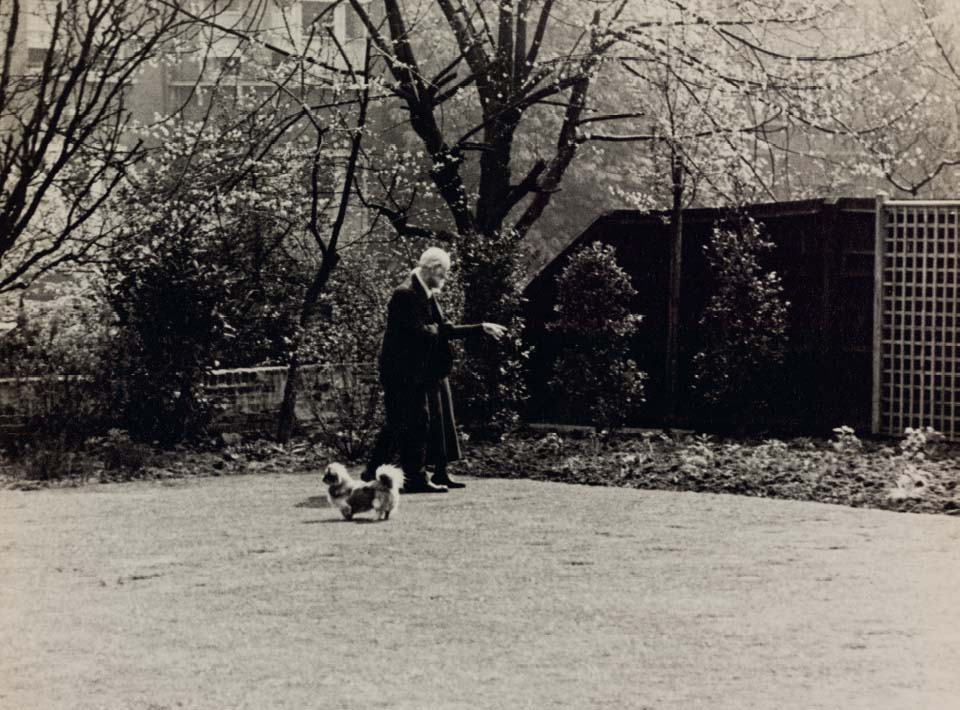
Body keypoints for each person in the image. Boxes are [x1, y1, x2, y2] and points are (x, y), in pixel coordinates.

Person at [363, 247, 506, 493]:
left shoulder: (424, 292)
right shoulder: (405, 294)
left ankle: (375, 473)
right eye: (445, 273)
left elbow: (439, 328)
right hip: (402, 374)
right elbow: (418, 332)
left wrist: (480, 327)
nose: (446, 278)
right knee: (411, 424)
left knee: (402, 425)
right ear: (432, 269)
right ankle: (411, 478)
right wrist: (437, 329)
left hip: (415, 372)